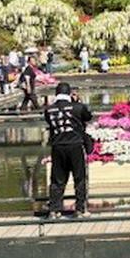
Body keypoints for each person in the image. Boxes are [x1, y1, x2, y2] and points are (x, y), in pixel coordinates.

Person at [45, 82, 93, 218]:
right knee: (80, 178)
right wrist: (78, 101)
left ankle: (54, 210)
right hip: (75, 145)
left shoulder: (49, 109)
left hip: (58, 146)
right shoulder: (77, 107)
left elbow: (49, 122)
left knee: (57, 179)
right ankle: (80, 209)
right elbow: (88, 116)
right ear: (69, 93)